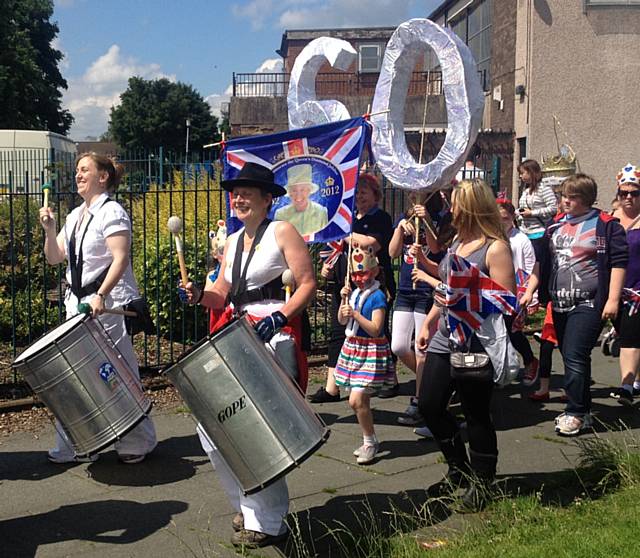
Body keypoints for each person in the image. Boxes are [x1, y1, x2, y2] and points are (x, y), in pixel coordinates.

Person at [180, 161, 316, 549]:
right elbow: (221, 292)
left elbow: (306, 285)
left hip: (270, 336)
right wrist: (196, 296)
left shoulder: (282, 231)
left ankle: (269, 522)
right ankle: (247, 506)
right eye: (235, 192)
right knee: (212, 428)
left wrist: (280, 316)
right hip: (236, 337)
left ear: (267, 199)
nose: (237, 197)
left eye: (247, 192)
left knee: (260, 431)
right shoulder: (233, 240)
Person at [39, 152, 157, 464]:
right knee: (73, 376)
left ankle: (138, 439)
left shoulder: (112, 212)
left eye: (84, 170)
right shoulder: (75, 216)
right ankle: (75, 443)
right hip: (76, 306)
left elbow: (120, 258)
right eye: (77, 170)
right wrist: (50, 230)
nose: (78, 175)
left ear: (102, 177)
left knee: (115, 372)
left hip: (106, 305)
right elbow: (55, 258)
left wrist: (101, 296)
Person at [416, 179, 516, 511]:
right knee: (429, 404)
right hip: (446, 337)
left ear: (471, 206)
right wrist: (430, 321)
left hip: (476, 342)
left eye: (455, 203)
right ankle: (457, 467)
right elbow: (447, 288)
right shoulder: (458, 243)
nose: (450, 210)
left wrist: (463, 297)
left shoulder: (495, 247)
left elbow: (506, 300)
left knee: (476, 415)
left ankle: (483, 481)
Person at [546, 174, 627, 435]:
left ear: (587, 199)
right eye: (563, 195)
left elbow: (618, 262)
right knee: (571, 354)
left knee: (575, 354)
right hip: (559, 300)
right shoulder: (557, 223)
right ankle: (584, 408)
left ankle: (576, 411)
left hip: (589, 301)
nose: (565, 201)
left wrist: (612, 299)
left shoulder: (606, 224)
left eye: (572, 197)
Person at [308, 173, 396, 403]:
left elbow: (369, 245)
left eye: (364, 191)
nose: (359, 195)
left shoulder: (381, 219)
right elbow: (338, 248)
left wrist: (345, 229)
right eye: (356, 191)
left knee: (378, 331)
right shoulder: (350, 219)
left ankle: (390, 378)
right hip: (346, 284)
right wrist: (328, 266)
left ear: (375, 194)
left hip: (373, 284)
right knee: (338, 331)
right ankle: (332, 387)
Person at [388, 192, 451, 427]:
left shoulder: (441, 217)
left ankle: (419, 400)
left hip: (425, 289)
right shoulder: (404, 217)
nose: (414, 197)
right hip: (406, 289)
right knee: (399, 345)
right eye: (411, 193)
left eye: (418, 193)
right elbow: (393, 252)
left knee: (421, 347)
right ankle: (433, 382)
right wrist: (399, 230)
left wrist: (425, 222)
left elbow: (436, 249)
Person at [335, 243, 395, 465]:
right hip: (354, 349)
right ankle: (368, 439)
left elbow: (376, 328)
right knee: (357, 401)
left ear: (375, 272)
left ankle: (370, 442)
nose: (359, 278)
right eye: (355, 275)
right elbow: (343, 321)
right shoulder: (354, 294)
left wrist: (356, 314)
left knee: (357, 399)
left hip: (371, 350)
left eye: (363, 273)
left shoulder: (377, 296)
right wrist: (343, 303)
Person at [496, 198, 540, 385]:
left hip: (517, 292)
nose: (502, 221)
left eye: (506, 218)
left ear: (512, 218)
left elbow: (531, 268)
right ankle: (501, 368)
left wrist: (532, 295)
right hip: (494, 291)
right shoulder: (491, 237)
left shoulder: (521, 239)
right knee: (496, 332)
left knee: (512, 331)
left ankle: (530, 361)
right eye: (498, 218)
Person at [610, 164, 640, 406]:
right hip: (615, 291)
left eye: (634, 193)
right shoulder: (610, 221)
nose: (628, 197)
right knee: (627, 334)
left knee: (629, 338)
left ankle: (627, 386)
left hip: (637, 293)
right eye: (624, 193)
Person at [517, 159, 557, 262]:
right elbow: (523, 208)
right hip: (525, 233)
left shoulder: (544, 189)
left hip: (539, 234)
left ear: (532, 172)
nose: (520, 176)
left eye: (522, 173)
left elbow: (553, 208)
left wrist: (532, 213)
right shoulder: (525, 190)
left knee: (538, 264)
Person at [274, 164, 328, 235]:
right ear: (289, 193)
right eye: (294, 190)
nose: (298, 195)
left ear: (309, 191)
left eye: (302, 190)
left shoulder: (321, 212)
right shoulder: (280, 215)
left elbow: (324, 237)